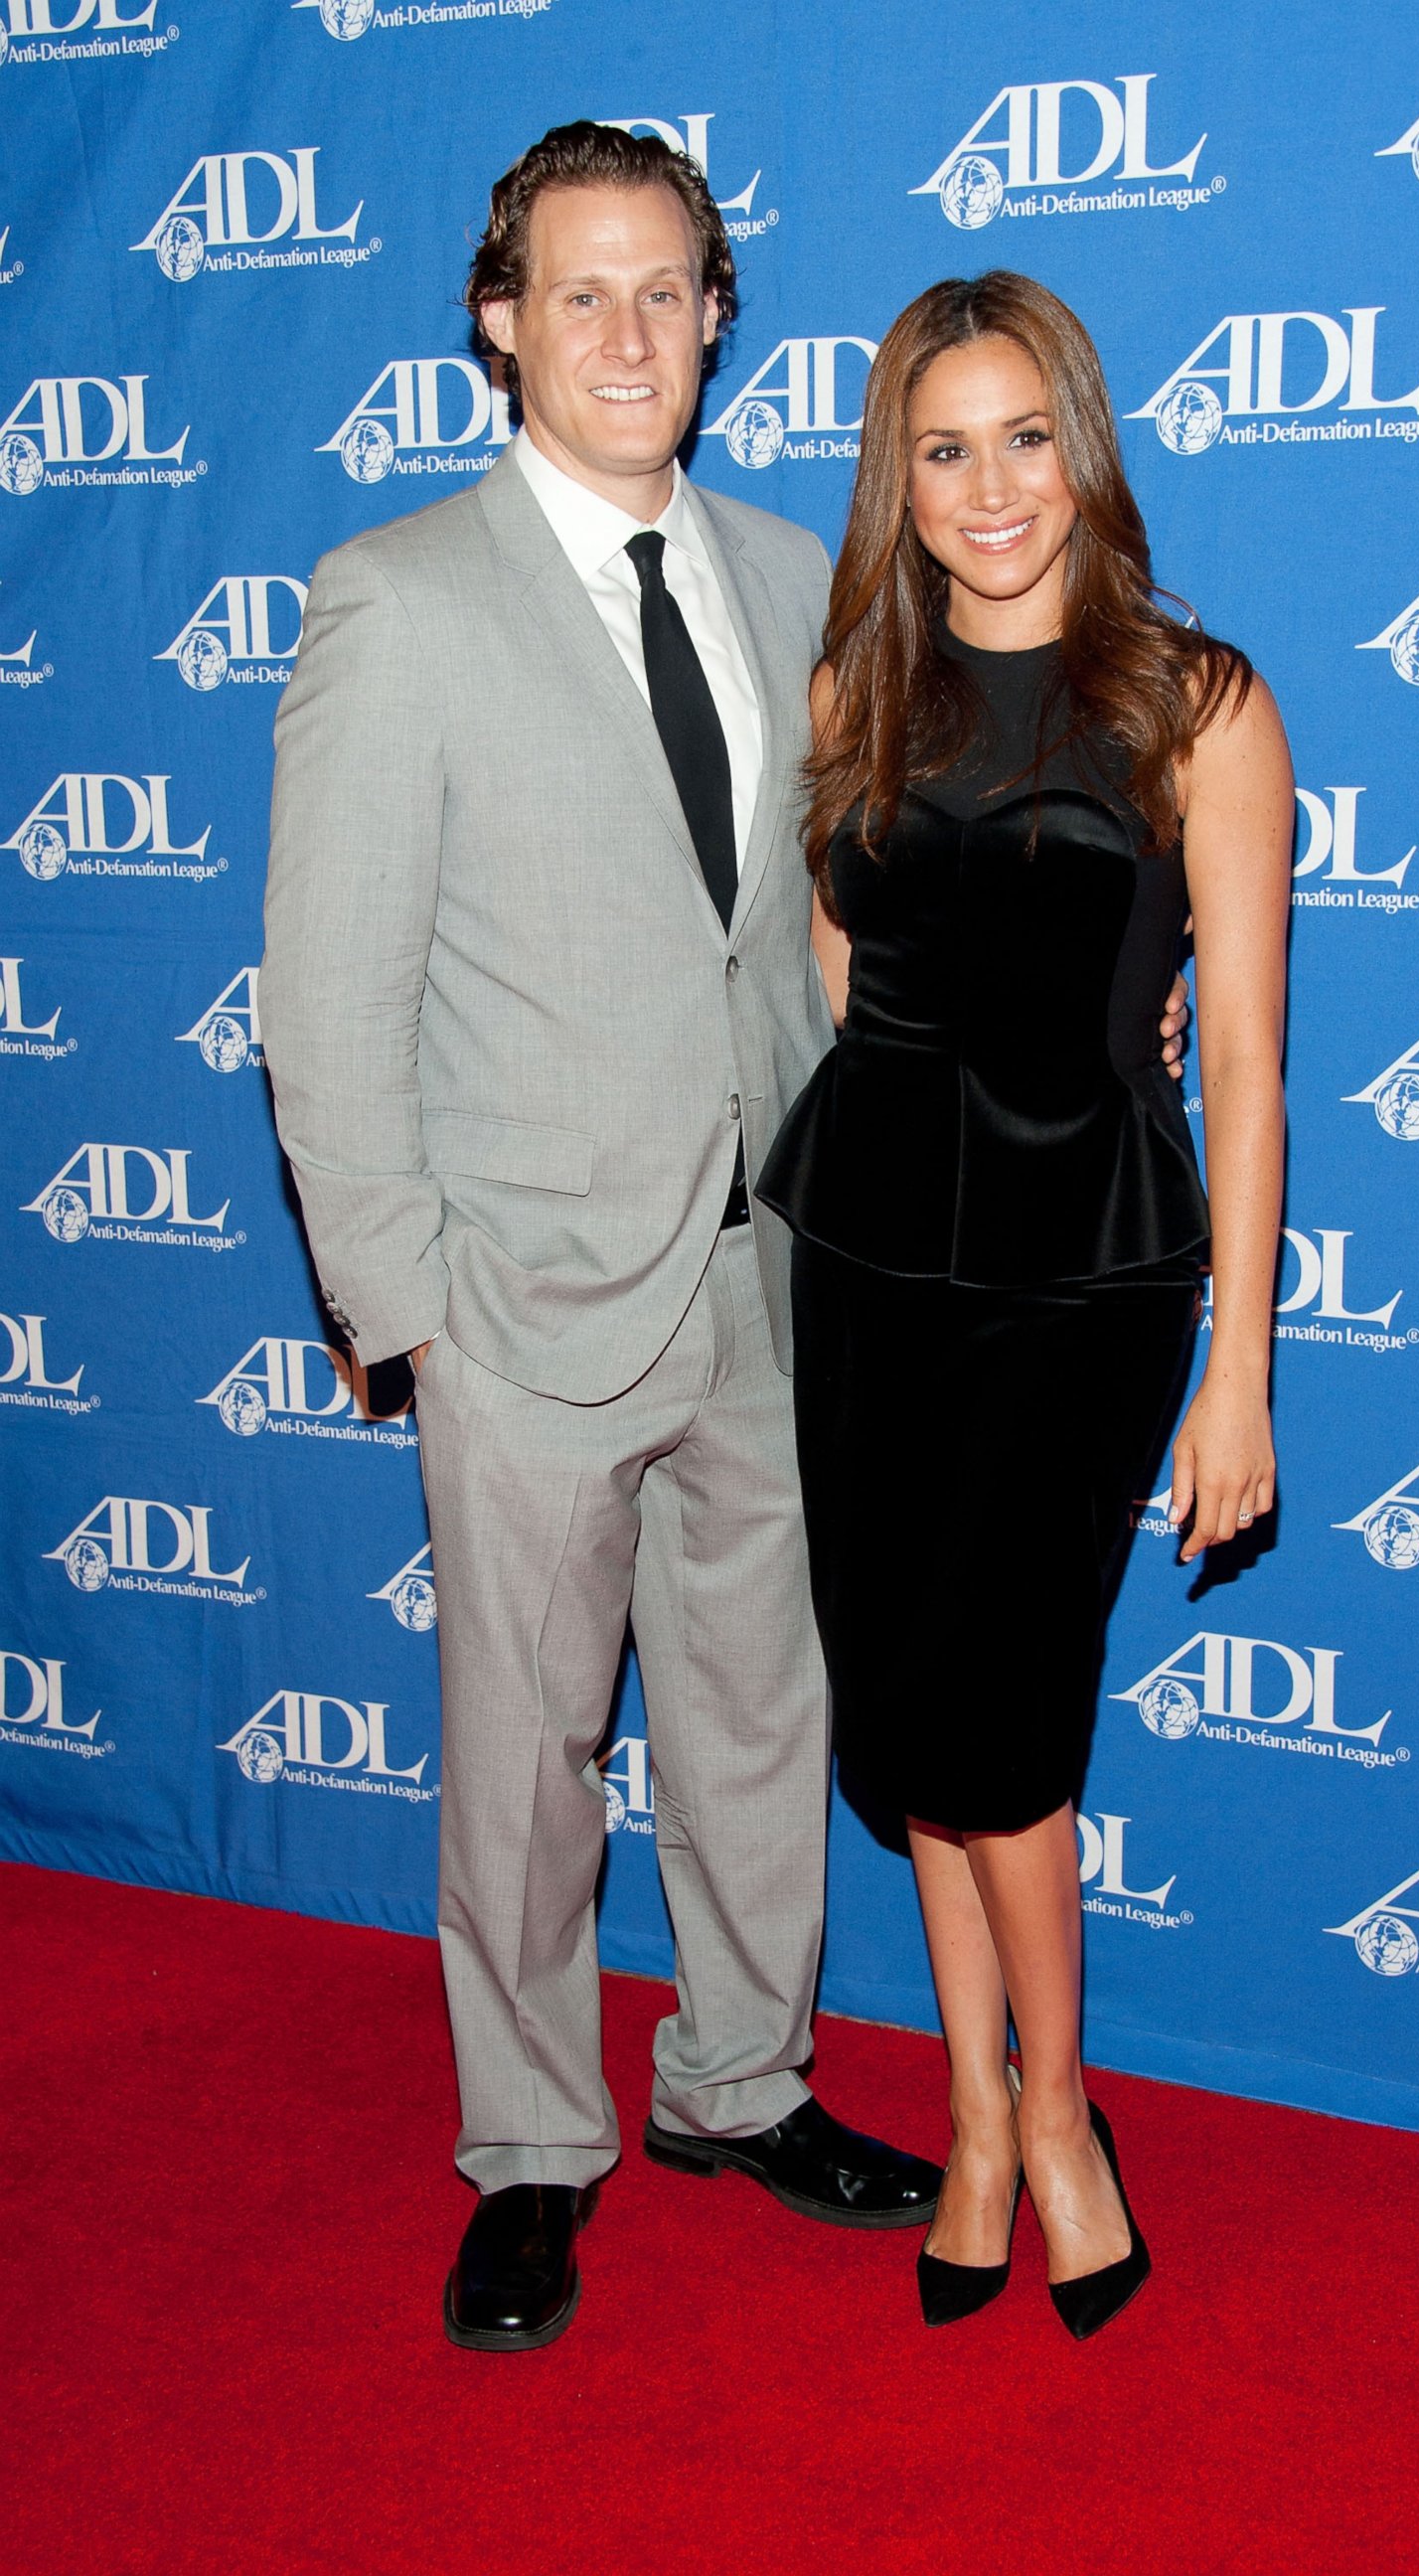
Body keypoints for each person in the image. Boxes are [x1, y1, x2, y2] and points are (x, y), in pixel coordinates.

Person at [258, 122, 952, 2356]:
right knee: (524, 1758)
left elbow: (816, 935)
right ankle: (533, 2152)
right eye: (581, 293)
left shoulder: (784, 573)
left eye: (666, 290)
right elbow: (329, 993)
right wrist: (409, 1311)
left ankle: (740, 2088)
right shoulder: (401, 597)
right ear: (500, 323)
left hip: (766, 1282)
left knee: (762, 1717)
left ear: (719, 316)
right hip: (524, 1305)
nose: (627, 334)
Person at [756, 271, 1292, 2339]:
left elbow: (1239, 1052)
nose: (989, 486)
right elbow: (834, 968)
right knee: (908, 1706)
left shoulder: (1196, 704)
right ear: (900, 468)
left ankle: (1058, 2114)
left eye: (1024, 435)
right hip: (870, 1252)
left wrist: (1238, 1366)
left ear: (1087, 439)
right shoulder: (852, 694)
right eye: (942, 445)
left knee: (1002, 1718)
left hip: (1087, 1270)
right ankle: (972, 2125)